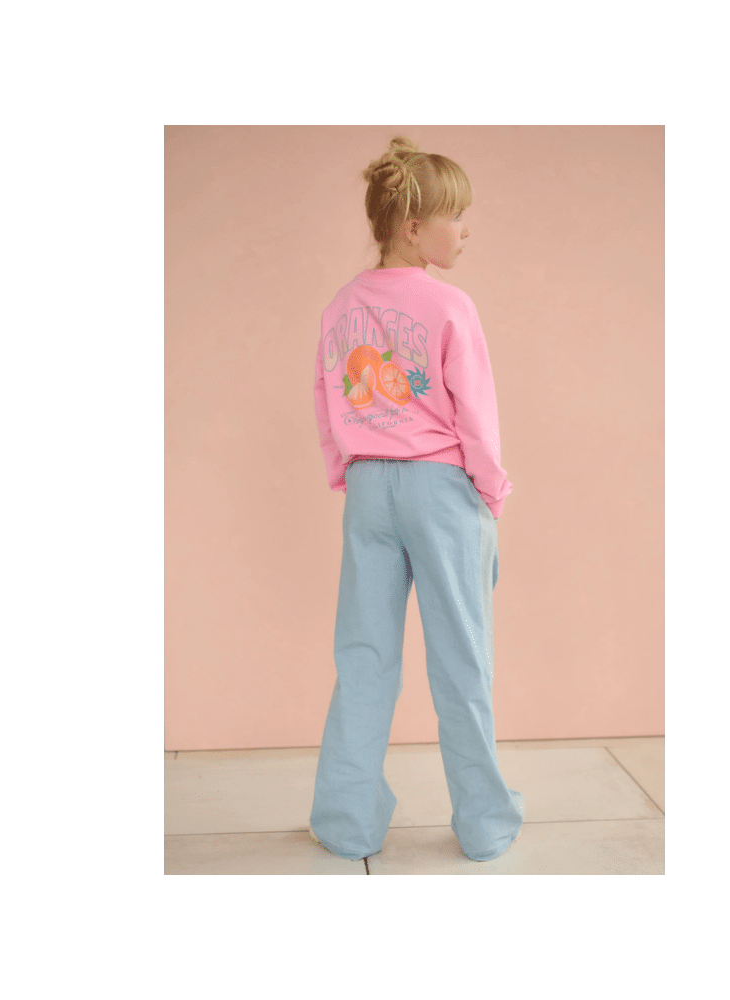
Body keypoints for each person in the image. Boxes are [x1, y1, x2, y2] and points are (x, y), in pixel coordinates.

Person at [309, 135, 524, 863]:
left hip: (369, 485)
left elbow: (327, 396)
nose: (465, 230)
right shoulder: (450, 304)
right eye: (455, 217)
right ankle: (485, 825)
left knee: (364, 655)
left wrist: (347, 470)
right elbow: (476, 413)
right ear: (412, 226)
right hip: (440, 489)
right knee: (462, 657)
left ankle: (346, 824)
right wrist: (490, 492)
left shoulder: (341, 306)